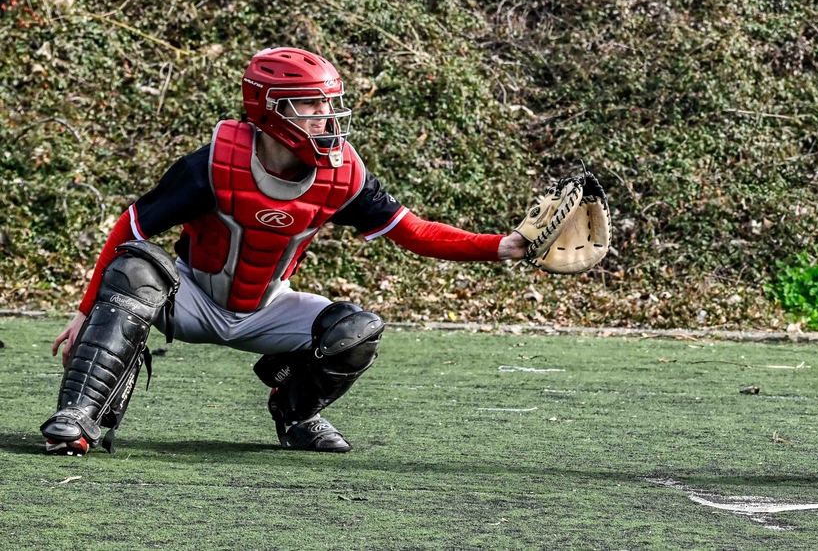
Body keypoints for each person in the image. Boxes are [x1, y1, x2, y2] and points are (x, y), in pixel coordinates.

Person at [43, 46, 540, 456]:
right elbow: (130, 226)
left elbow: (413, 232)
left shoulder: (343, 174)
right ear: (271, 109)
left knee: (357, 331)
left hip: (266, 307)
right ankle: (79, 415)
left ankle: (296, 413)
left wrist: (502, 246)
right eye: (312, 105)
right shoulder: (213, 164)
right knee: (136, 268)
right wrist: (85, 312)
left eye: (329, 104)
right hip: (190, 298)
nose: (327, 117)